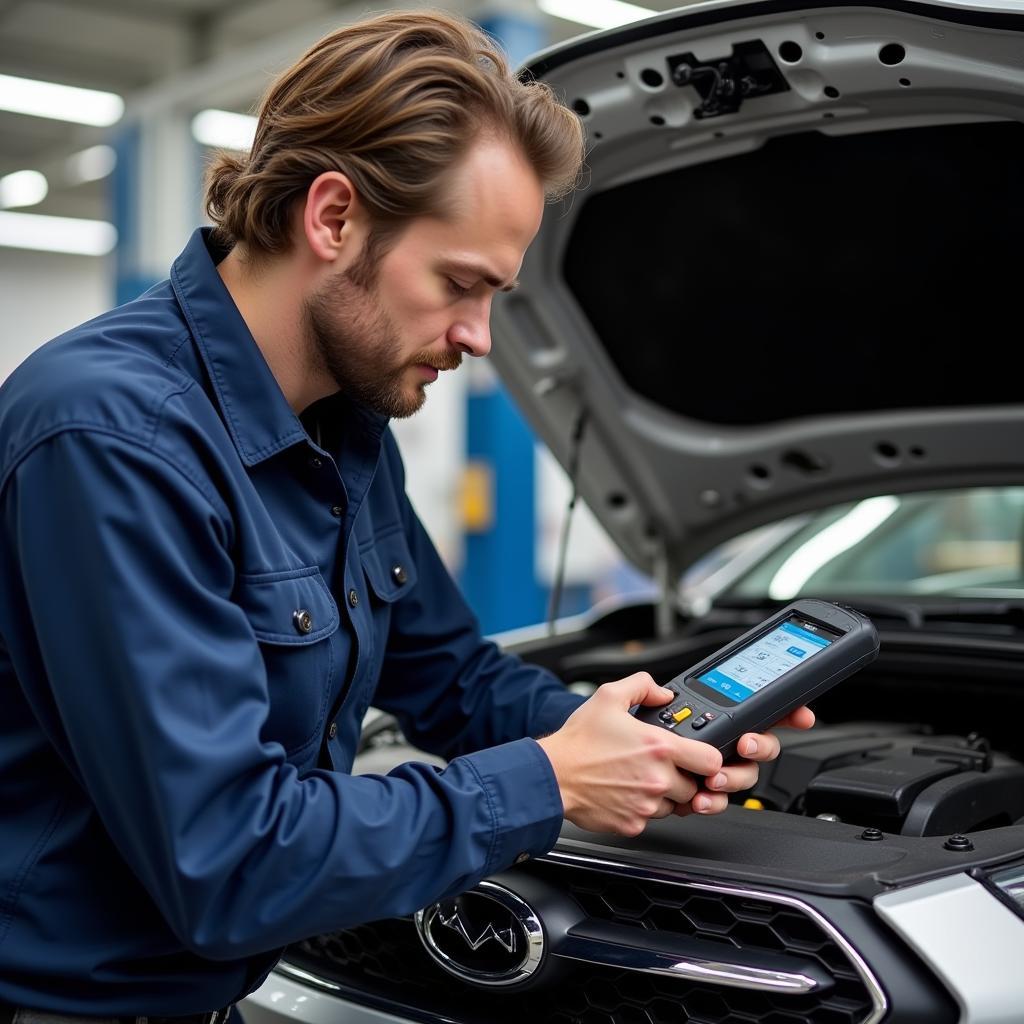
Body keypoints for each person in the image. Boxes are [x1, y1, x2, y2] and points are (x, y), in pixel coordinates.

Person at [0, 10, 814, 1020]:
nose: (477, 337)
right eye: (458, 284)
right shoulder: (111, 438)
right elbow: (228, 858)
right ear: (334, 218)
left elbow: (450, 676)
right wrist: (550, 782)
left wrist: (638, 741)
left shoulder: (343, 423)